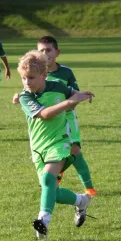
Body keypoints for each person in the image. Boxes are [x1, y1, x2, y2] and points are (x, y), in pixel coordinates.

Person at [17, 50, 95, 239]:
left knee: (47, 179)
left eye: (31, 78)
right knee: (52, 190)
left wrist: (80, 95)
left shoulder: (58, 86)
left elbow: (72, 95)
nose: (27, 83)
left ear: (44, 75)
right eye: (24, 78)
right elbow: (45, 114)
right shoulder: (25, 97)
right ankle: (81, 200)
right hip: (38, 148)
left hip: (60, 142)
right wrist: (69, 103)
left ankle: (43, 221)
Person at [35, 36, 97, 196]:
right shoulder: (35, 73)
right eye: (41, 50)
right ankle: (55, 174)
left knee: (75, 150)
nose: (45, 53)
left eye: (48, 50)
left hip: (67, 119)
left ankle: (89, 188)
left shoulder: (66, 72)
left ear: (57, 52)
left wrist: (70, 102)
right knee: (51, 151)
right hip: (47, 123)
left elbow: (74, 97)